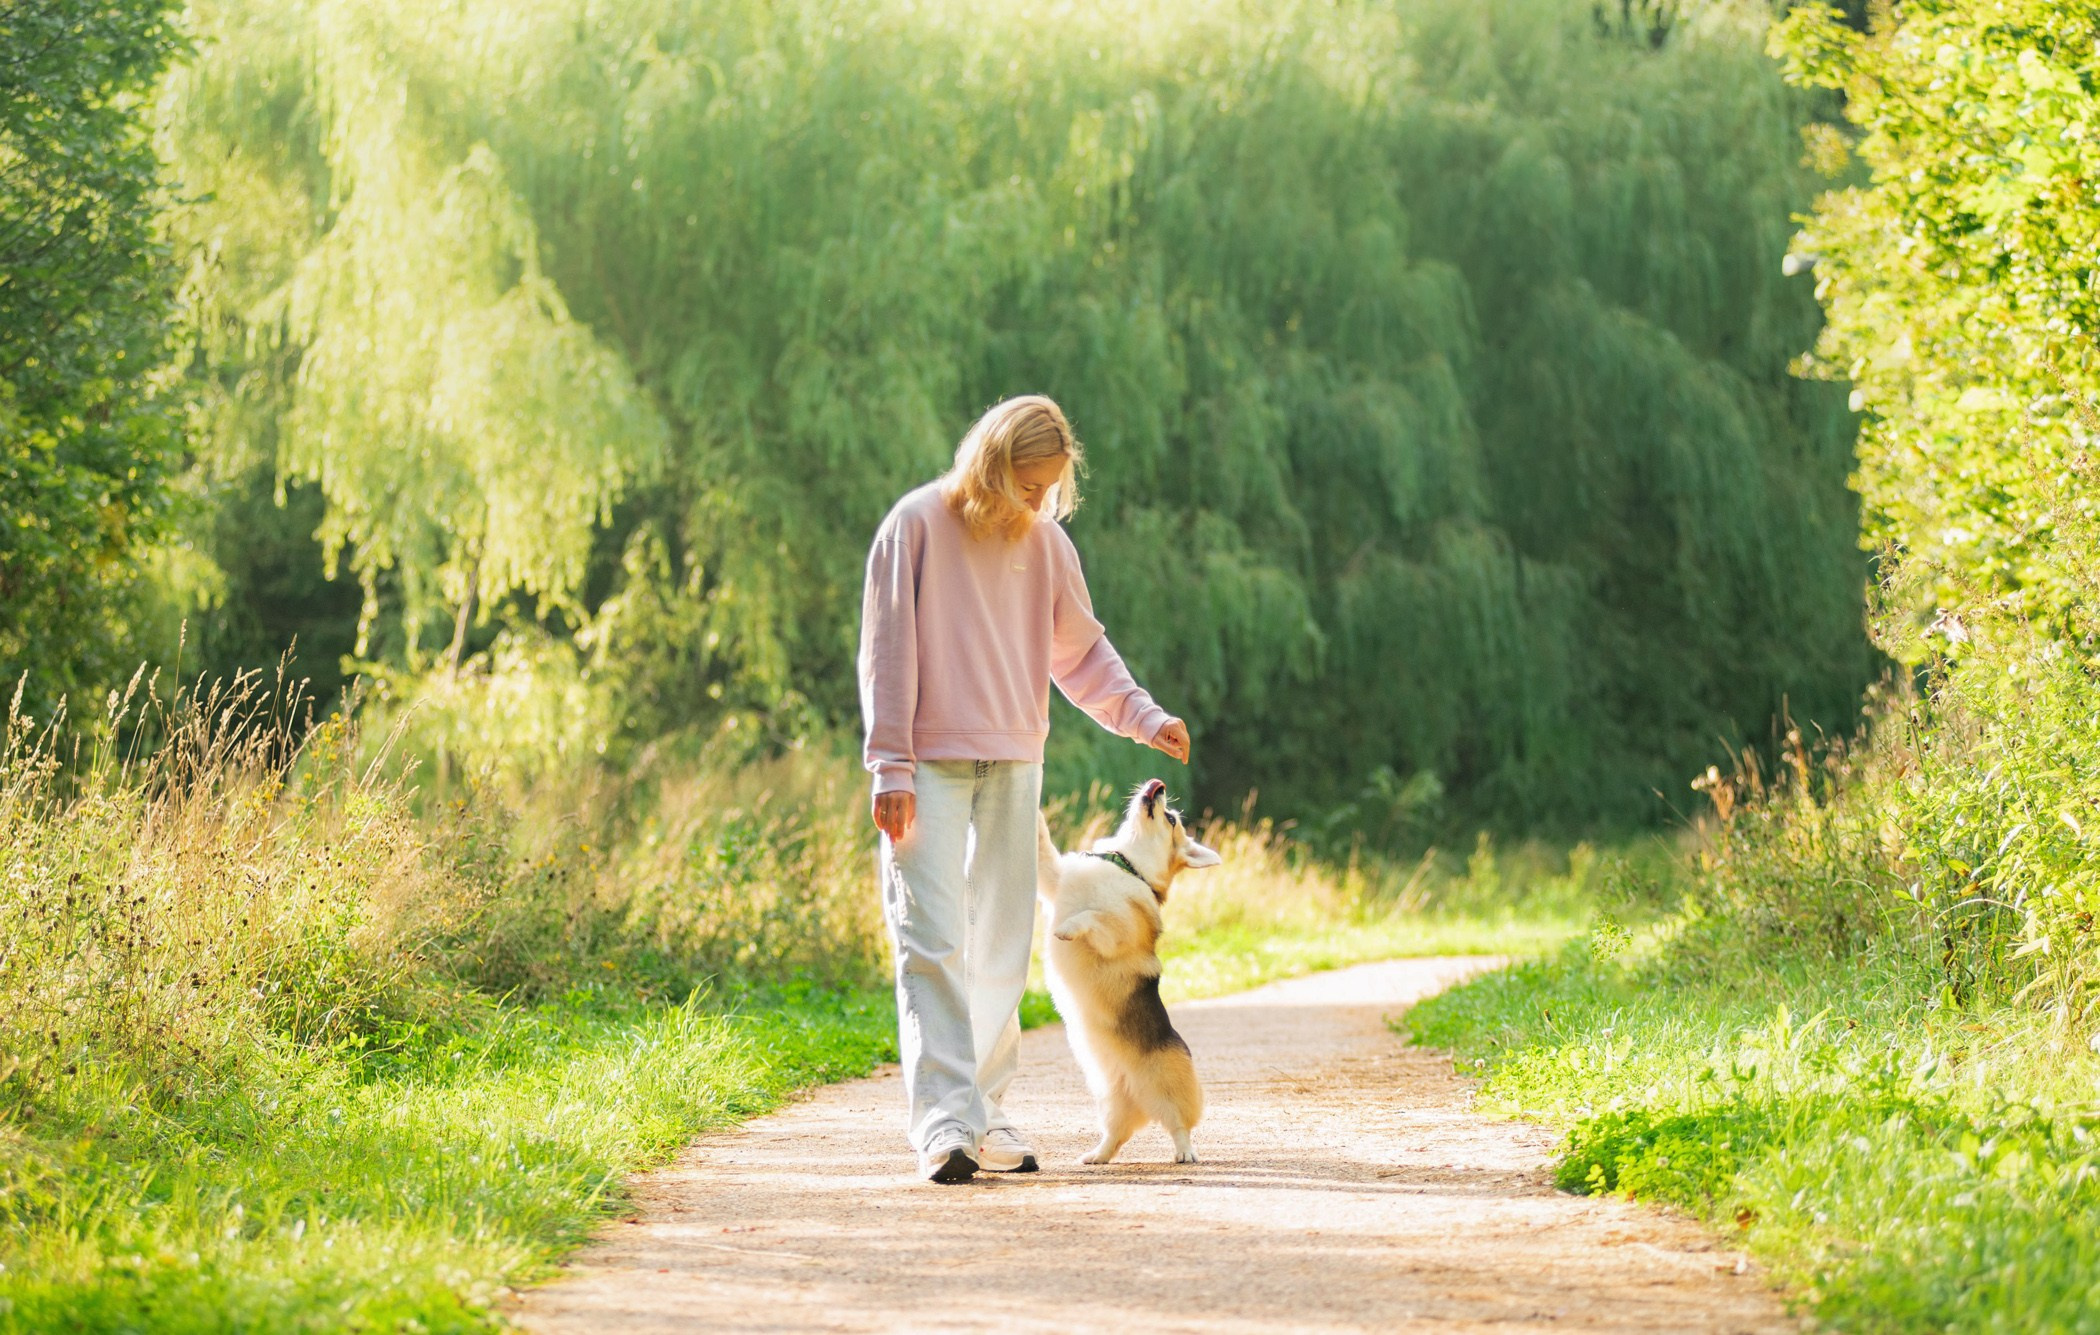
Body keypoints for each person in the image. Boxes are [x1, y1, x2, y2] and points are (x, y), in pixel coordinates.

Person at [858, 394, 1191, 1183]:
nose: (1039, 502)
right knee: (932, 939)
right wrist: (891, 766)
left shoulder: (1045, 545)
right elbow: (888, 652)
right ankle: (944, 1126)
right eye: (1027, 484)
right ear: (992, 463)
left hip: (1013, 764)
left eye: (1049, 490)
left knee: (1003, 944)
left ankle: (984, 1110)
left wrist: (1144, 717)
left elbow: (1081, 654)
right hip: (926, 766)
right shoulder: (915, 525)